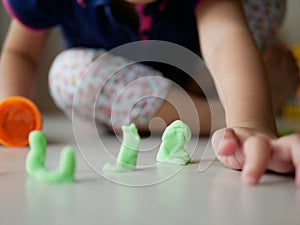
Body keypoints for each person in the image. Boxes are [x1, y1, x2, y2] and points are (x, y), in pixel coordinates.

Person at [0, 0, 300, 187]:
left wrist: (252, 123)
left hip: (199, 73)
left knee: (264, 3)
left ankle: (234, 101)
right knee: (70, 73)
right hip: (121, 94)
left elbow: (225, 37)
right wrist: (11, 115)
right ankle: (216, 113)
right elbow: (20, 53)